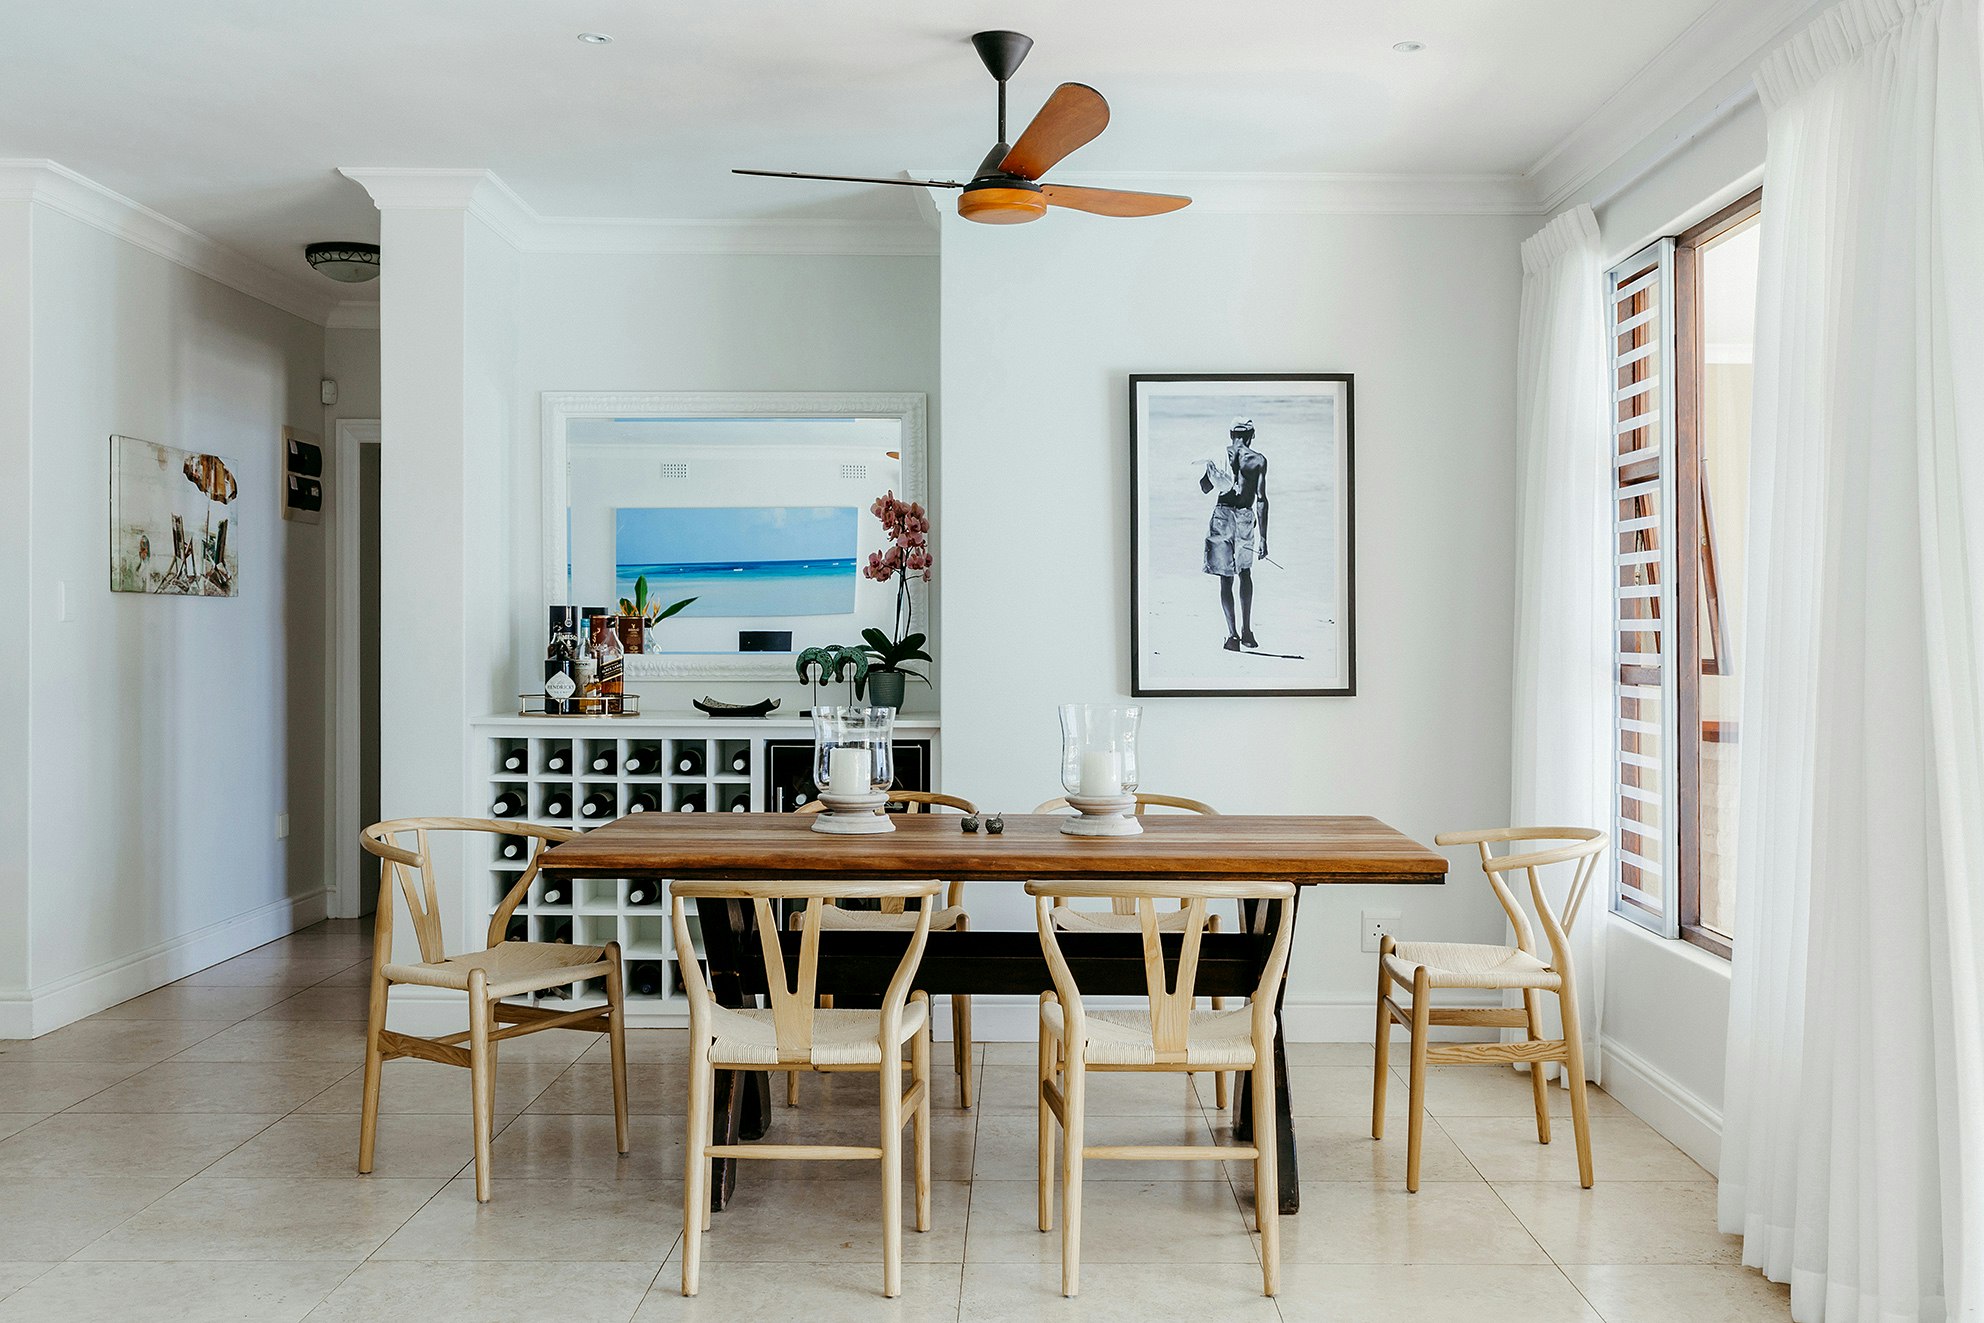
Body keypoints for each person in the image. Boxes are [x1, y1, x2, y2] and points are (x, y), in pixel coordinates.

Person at [1200, 416, 1269, 651]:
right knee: (1245, 573)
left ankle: (1232, 637)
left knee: (1225, 577)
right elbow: (1261, 499)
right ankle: (1247, 632)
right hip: (1244, 516)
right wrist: (1264, 538)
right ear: (1252, 435)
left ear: (1231, 434)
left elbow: (1205, 487)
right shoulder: (1258, 460)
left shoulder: (1220, 455)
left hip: (1222, 514)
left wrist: (1212, 471)